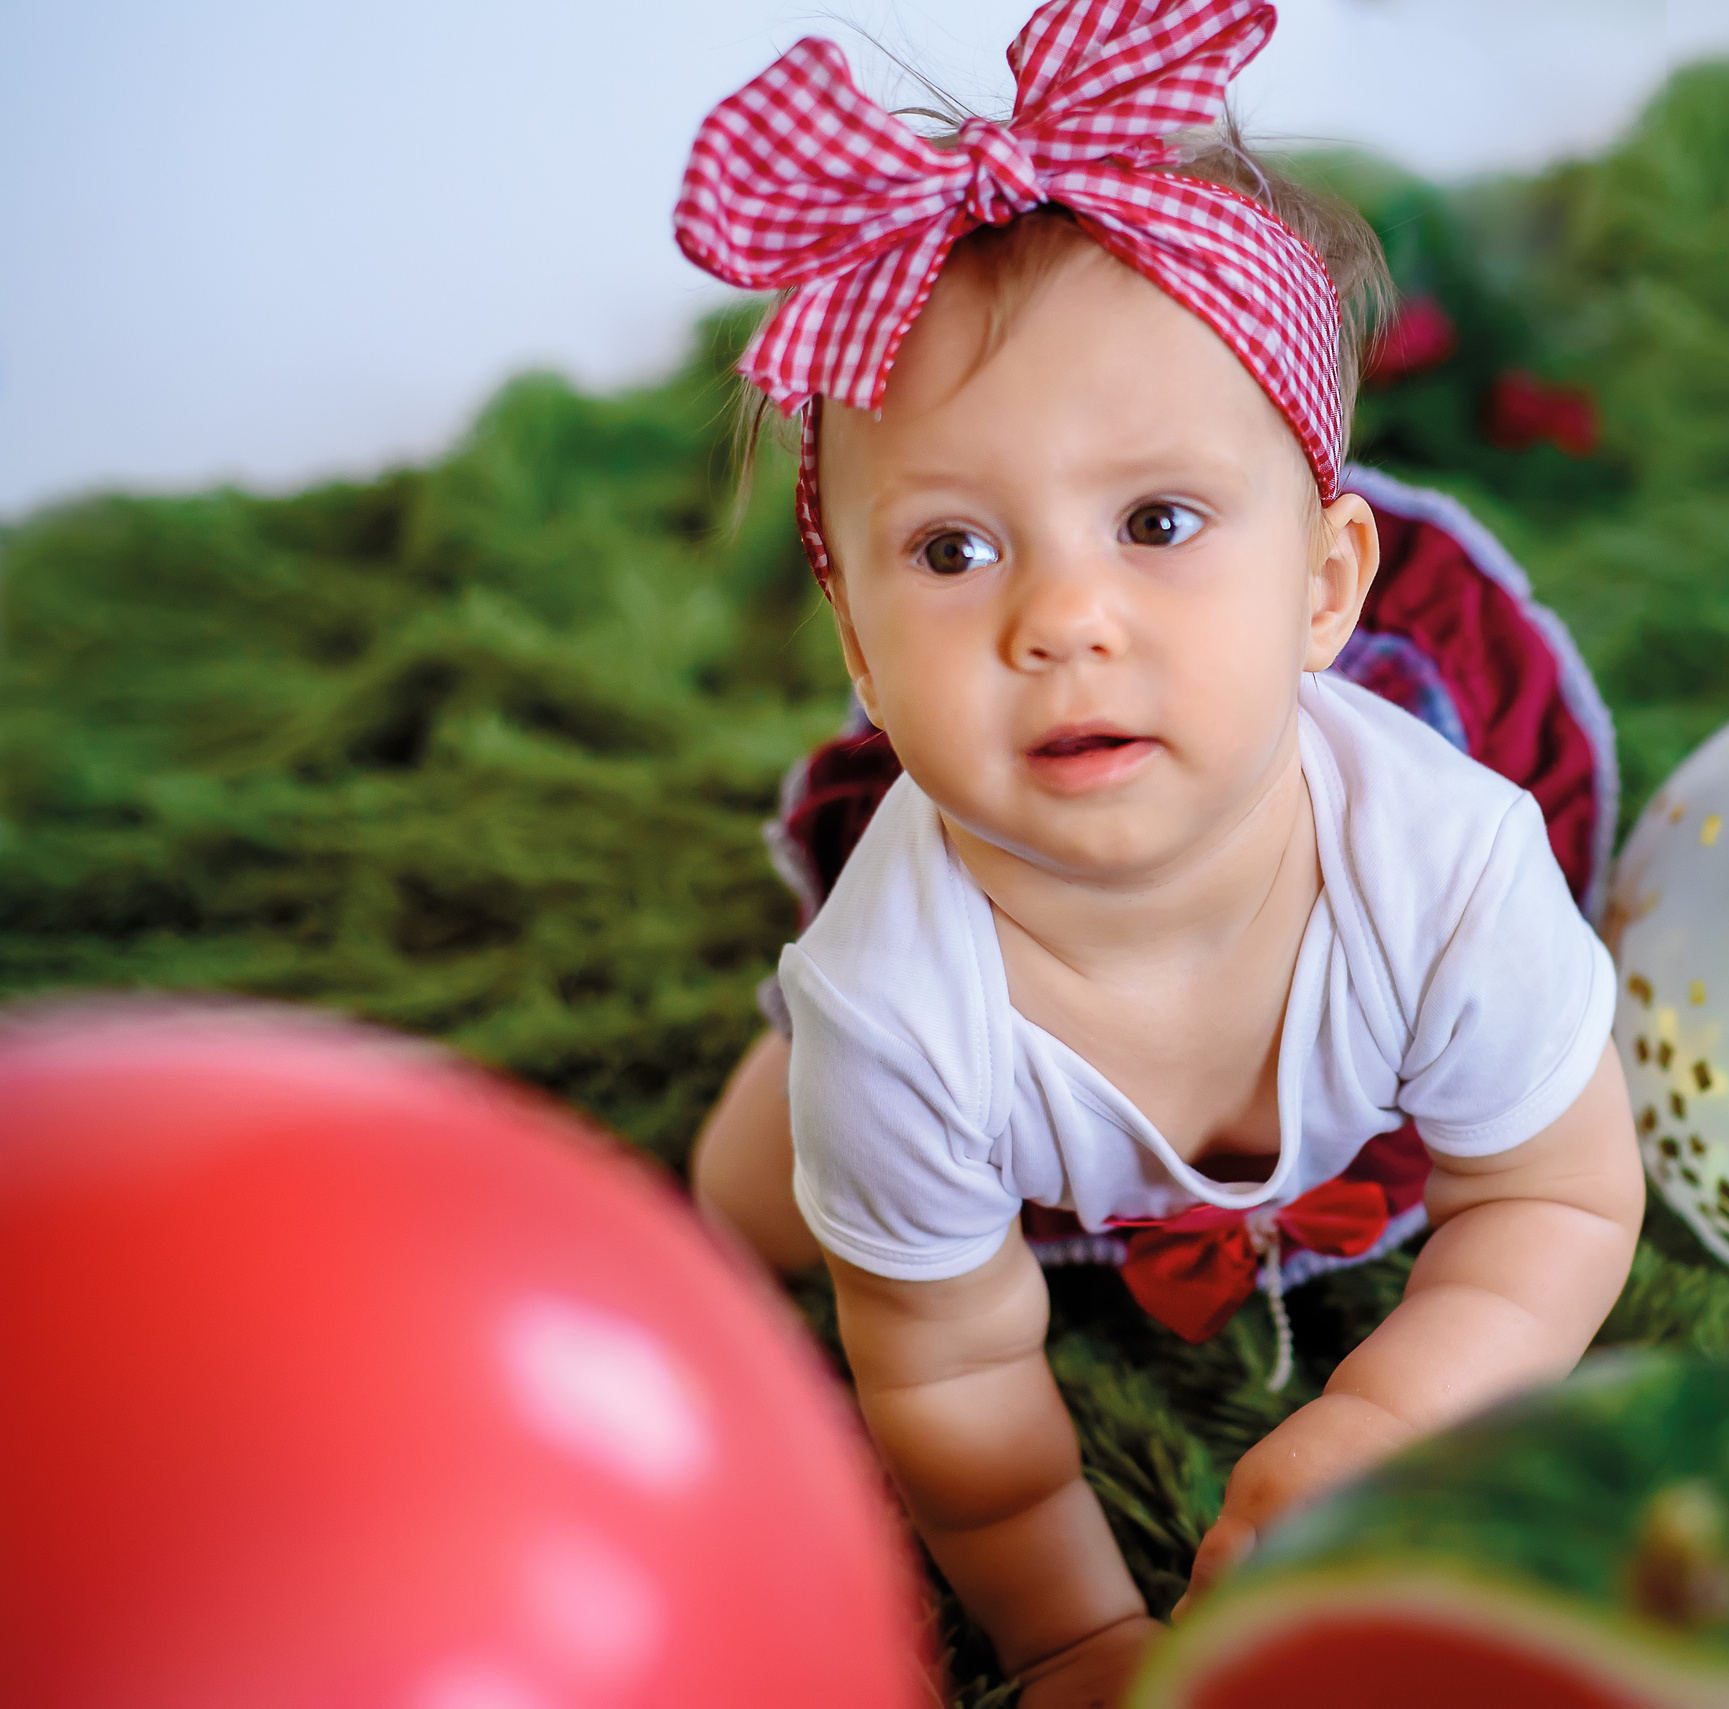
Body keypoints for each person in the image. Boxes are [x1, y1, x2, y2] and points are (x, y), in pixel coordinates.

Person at [673, 5, 1643, 1704]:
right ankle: (800, 1112)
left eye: (1160, 522)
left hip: (1372, 950)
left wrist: (1393, 1409)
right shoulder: (896, 1016)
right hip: (956, 1074)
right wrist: (1069, 1632)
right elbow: (956, 1383)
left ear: (1328, 584)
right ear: (860, 644)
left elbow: (1555, 1192)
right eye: (956, 547)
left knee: (1527, 1069)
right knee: (749, 1198)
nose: (1065, 620)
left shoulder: (1453, 869)